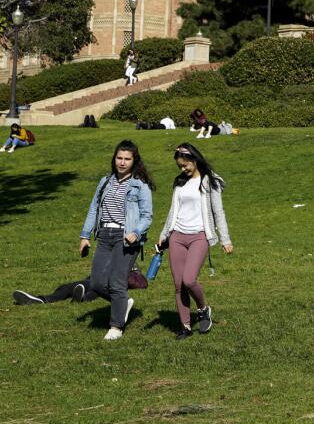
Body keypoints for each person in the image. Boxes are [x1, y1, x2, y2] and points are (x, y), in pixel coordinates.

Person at [79, 140, 155, 340]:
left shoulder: (140, 186)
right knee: (96, 283)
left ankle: (116, 327)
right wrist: (85, 236)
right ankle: (123, 303)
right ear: (114, 159)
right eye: (119, 158)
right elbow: (93, 208)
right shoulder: (105, 181)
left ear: (134, 161)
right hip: (104, 236)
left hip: (126, 239)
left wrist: (136, 232)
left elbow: (147, 216)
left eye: (127, 159)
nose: (122, 162)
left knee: (116, 281)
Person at [156, 143, 233, 340]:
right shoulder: (180, 183)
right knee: (178, 284)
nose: (183, 169)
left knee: (189, 279)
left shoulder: (210, 181)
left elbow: (218, 212)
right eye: (180, 167)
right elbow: (174, 211)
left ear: (194, 160)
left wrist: (225, 239)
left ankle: (202, 309)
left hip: (199, 236)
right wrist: (164, 234)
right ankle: (185, 326)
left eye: (185, 165)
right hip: (177, 237)